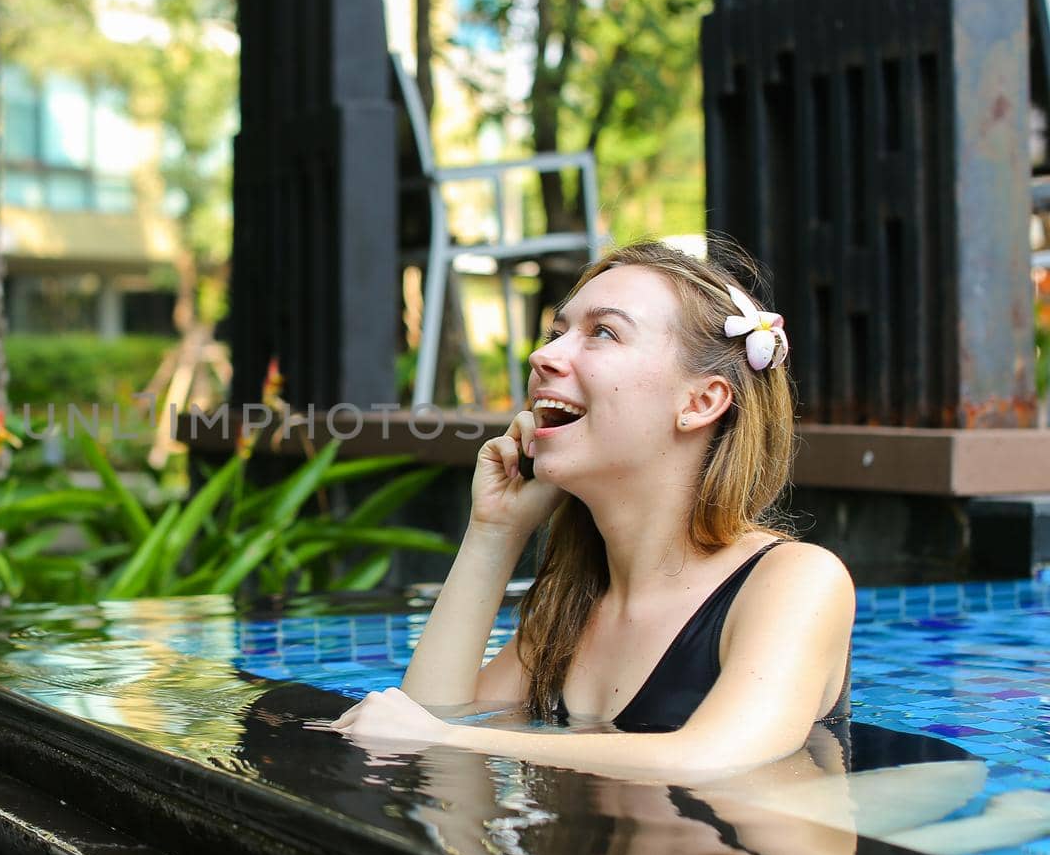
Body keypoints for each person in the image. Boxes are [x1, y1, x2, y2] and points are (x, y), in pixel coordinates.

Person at [328, 241, 856, 781]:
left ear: (700, 403)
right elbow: (420, 739)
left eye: (603, 332)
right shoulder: (569, 608)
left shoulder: (794, 581)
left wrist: (446, 739)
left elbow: (714, 757)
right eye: (557, 334)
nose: (542, 357)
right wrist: (494, 532)